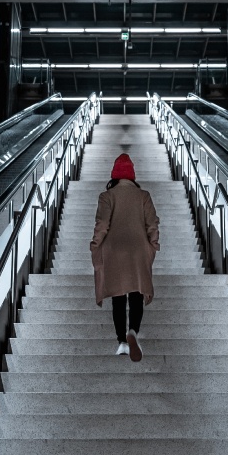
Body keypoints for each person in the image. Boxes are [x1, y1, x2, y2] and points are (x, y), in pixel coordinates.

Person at [90, 152, 160, 361]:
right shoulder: (143, 196)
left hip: (114, 251)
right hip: (138, 250)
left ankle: (121, 342)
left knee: (118, 297)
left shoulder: (107, 196)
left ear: (114, 176)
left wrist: (95, 245)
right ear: (132, 176)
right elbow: (152, 225)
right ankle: (133, 331)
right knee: (136, 293)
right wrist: (152, 246)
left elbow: (102, 225)